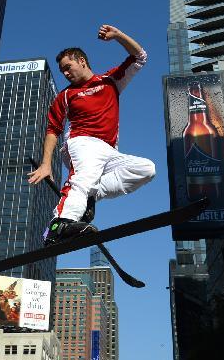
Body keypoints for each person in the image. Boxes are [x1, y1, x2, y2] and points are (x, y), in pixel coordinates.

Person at [28, 24, 156, 245]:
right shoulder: (65, 95)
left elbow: (140, 57)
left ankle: (89, 196)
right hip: (81, 143)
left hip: (109, 150)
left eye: (68, 67)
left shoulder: (110, 81)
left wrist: (118, 35)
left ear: (82, 61)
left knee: (146, 170)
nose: (66, 73)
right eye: (62, 71)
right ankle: (58, 224)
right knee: (83, 177)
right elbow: (53, 129)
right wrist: (46, 163)